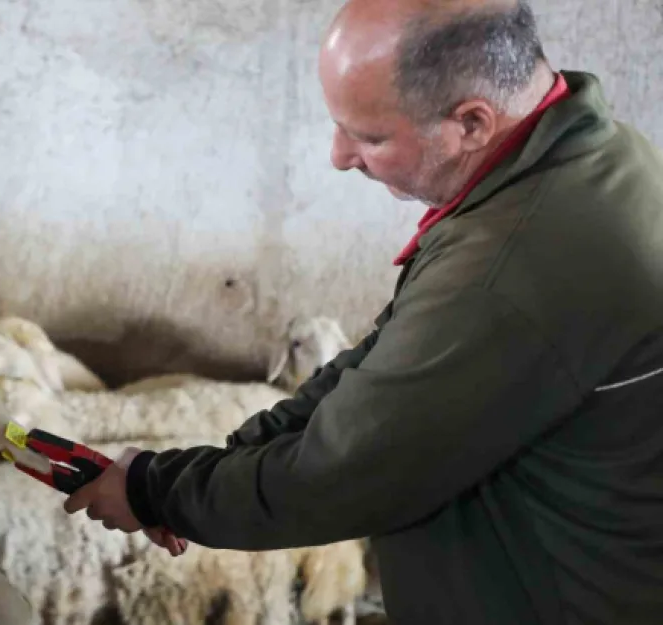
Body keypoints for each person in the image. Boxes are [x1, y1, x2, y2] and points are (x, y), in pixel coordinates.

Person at [62, 1, 663, 624]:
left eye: (370, 136)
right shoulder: (583, 160)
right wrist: (220, 460)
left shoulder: (511, 266)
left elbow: (340, 474)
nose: (339, 155)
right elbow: (390, 353)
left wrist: (156, 491)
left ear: (472, 123)